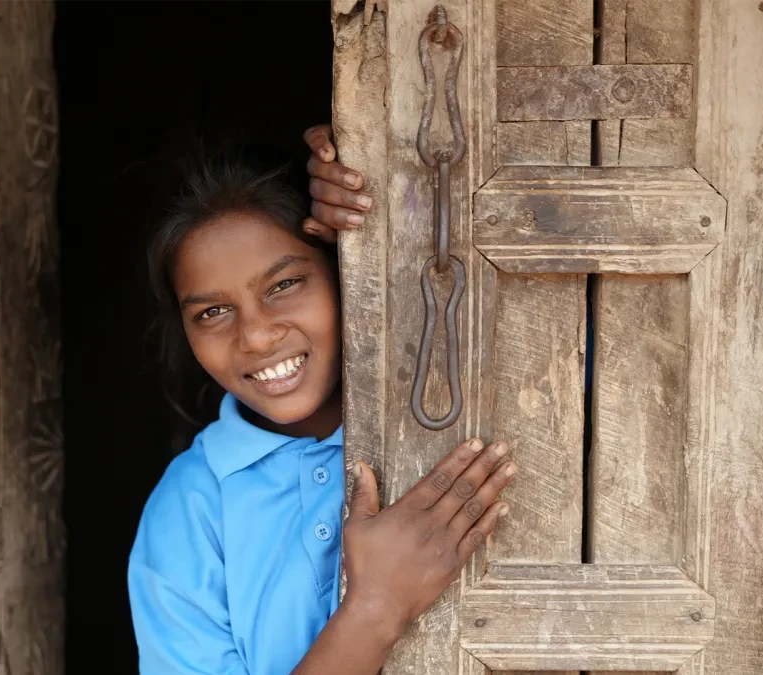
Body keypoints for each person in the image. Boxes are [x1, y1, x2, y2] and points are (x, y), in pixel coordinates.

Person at [127, 125, 518, 674]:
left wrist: (385, 190)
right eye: (212, 312)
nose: (257, 336)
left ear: (346, 274)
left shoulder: (469, 415)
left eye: (284, 284)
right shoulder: (191, 510)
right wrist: (376, 607)